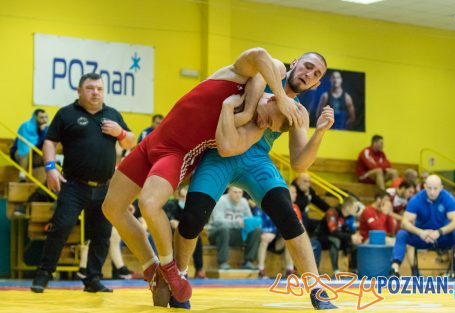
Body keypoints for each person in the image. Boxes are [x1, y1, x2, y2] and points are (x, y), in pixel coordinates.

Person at [102, 47, 303, 307]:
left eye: (270, 127)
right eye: (268, 119)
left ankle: (170, 269)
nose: (264, 124)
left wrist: (237, 114)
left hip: (177, 153)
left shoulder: (252, 128)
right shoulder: (241, 77)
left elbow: (227, 148)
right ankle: (151, 266)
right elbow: (263, 56)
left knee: (149, 204)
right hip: (152, 140)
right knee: (111, 207)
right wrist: (263, 103)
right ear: (273, 99)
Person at [174, 51, 338, 310]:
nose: (309, 75)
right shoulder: (264, 80)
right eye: (307, 66)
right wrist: (276, 99)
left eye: (316, 75)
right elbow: (259, 63)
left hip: (257, 161)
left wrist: (320, 133)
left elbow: (299, 164)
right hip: (222, 154)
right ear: (294, 63)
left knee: (288, 215)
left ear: (316, 85)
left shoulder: (300, 112)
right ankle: (179, 279)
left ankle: (317, 289)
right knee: (192, 218)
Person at [30, 73, 135, 293]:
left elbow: (130, 141)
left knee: (102, 235)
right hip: (73, 185)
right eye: (90, 88)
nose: (95, 92)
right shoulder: (66, 114)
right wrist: (50, 168)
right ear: (79, 91)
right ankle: (43, 275)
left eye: (99, 88)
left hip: (105, 187)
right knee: (61, 228)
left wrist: (121, 132)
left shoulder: (112, 114)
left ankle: (93, 279)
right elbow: (50, 141)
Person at [389, 175, 455, 277]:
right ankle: (394, 269)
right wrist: (420, 232)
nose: (432, 192)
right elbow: (404, 223)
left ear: (441, 187)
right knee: (402, 234)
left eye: (435, 188)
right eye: (429, 188)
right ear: (424, 186)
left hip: (442, 237)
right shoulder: (416, 199)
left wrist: (439, 232)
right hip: (422, 238)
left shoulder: (448, 198)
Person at [208, 186, 261, 270]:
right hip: (216, 233)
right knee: (224, 228)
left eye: (240, 192)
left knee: (256, 230)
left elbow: (249, 220)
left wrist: (251, 223)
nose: (238, 195)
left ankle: (248, 261)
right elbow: (217, 221)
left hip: (234, 234)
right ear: (229, 191)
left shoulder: (244, 202)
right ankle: (223, 262)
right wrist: (237, 223)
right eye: (235, 192)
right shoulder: (221, 200)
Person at [163, 185, 205, 278]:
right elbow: (171, 221)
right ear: (178, 196)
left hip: (186, 232)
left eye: (187, 197)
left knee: (197, 238)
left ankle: (199, 269)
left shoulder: (195, 208)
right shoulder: (171, 205)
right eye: (182, 197)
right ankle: (171, 269)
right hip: (170, 232)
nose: (184, 199)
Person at [317, 197, 361, 275]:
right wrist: (350, 237)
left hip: (339, 237)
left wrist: (355, 237)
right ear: (347, 208)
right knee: (335, 240)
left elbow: (352, 231)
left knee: (355, 244)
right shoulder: (332, 212)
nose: (356, 209)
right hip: (323, 237)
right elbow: (333, 231)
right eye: (354, 207)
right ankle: (335, 270)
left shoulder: (350, 217)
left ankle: (355, 270)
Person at [10, 109, 49, 181]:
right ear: (35, 117)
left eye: (46, 117)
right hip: (19, 153)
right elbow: (25, 145)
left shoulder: (45, 129)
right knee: (26, 150)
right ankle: (22, 176)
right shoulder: (26, 126)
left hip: (33, 155)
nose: (44, 120)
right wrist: (43, 132)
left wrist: (43, 132)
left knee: (49, 156)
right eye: (41, 117)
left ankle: (49, 179)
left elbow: (41, 145)